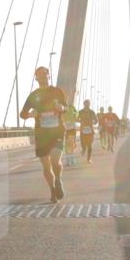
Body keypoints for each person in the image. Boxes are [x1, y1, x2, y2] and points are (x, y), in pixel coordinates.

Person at [20, 66, 68, 202]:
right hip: (41, 134)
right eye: (39, 75)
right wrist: (30, 114)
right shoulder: (33, 95)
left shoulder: (57, 91)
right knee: (46, 165)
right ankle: (52, 190)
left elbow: (67, 107)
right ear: (36, 78)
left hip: (57, 131)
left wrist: (62, 108)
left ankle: (58, 180)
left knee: (55, 161)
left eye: (44, 74)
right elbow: (22, 114)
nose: (42, 76)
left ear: (49, 76)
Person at [76, 99, 98, 163]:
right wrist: (80, 121)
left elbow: (96, 121)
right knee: (83, 144)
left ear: (89, 104)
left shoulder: (92, 112)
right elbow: (76, 119)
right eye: (86, 104)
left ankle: (89, 159)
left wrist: (92, 122)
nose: (87, 105)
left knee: (89, 145)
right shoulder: (80, 112)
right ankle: (83, 149)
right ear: (84, 104)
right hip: (83, 130)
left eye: (88, 104)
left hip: (90, 130)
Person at [63, 101, 79, 166]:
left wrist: (75, 116)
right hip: (64, 128)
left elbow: (77, 114)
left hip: (72, 128)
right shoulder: (60, 108)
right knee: (66, 144)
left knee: (71, 143)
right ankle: (68, 159)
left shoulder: (72, 107)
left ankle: (71, 158)